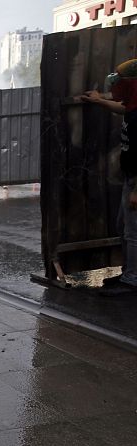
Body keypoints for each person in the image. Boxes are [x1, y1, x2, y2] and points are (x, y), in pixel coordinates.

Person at [82, 59, 137, 295]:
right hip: (130, 178)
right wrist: (99, 101)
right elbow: (124, 108)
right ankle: (128, 274)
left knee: (133, 231)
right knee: (123, 226)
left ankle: (132, 279)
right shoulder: (134, 107)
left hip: (136, 181)